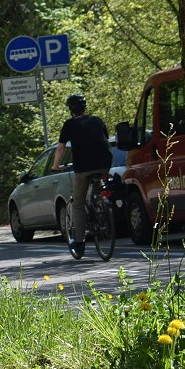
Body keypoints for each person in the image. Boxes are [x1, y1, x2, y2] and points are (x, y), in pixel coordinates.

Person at [51, 93, 112, 259]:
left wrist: (56, 166)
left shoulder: (70, 124)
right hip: (104, 164)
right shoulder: (97, 120)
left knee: (77, 203)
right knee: (99, 188)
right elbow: (105, 141)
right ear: (84, 108)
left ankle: (79, 243)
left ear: (71, 110)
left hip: (83, 168)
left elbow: (61, 148)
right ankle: (102, 209)